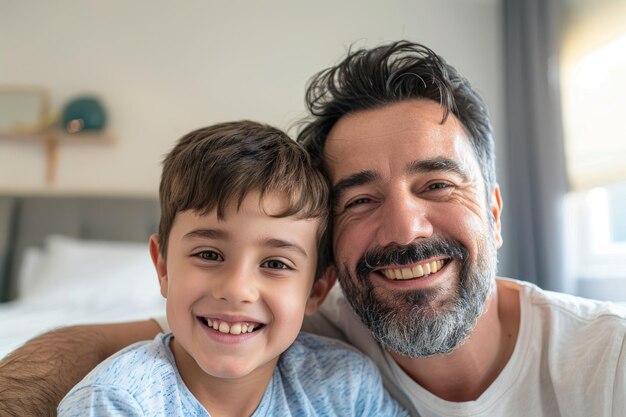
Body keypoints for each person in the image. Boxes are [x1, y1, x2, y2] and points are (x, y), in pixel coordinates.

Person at [1, 41, 624, 417]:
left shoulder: (608, 360)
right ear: (162, 264)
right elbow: (97, 353)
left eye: (436, 184)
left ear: (494, 208)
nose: (405, 227)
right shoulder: (292, 325)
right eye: (359, 199)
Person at [55, 121, 408, 416]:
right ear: (163, 267)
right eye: (209, 255)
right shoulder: (114, 402)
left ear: (316, 289)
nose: (237, 289)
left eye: (274, 263)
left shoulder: (347, 387)